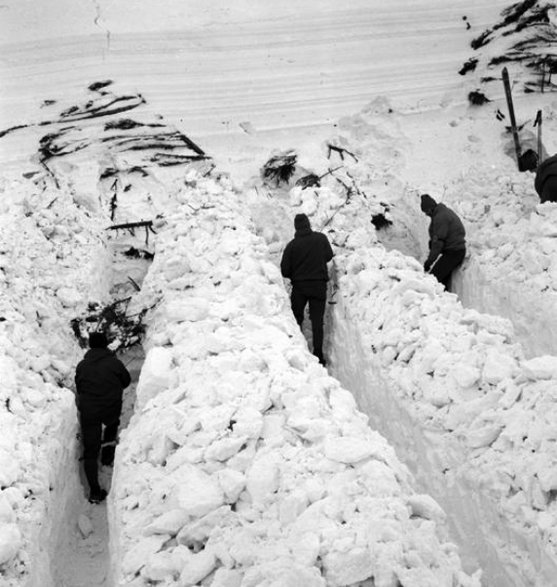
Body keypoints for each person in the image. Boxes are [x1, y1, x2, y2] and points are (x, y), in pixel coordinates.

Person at [75, 332, 131, 504]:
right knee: (111, 426)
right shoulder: (114, 363)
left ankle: (94, 491)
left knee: (90, 450)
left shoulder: (82, 365)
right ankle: (107, 456)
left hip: (89, 411)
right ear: (106, 344)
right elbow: (127, 381)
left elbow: (79, 385)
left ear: (90, 346)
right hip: (110, 408)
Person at [280, 213, 334, 366]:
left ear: (296, 227)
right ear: (308, 224)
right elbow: (329, 256)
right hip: (318, 286)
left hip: (300, 288)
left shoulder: (291, 246)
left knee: (297, 319)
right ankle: (319, 355)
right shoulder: (321, 238)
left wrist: (296, 274)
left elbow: (284, 271)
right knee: (317, 322)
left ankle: (299, 352)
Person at [420, 194, 466, 292]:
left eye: (426, 211)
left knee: (433, 278)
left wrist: (428, 263)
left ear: (430, 208)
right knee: (442, 278)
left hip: (455, 252)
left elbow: (438, 244)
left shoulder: (440, 217)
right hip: (453, 251)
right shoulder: (441, 213)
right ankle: (444, 298)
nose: (426, 214)